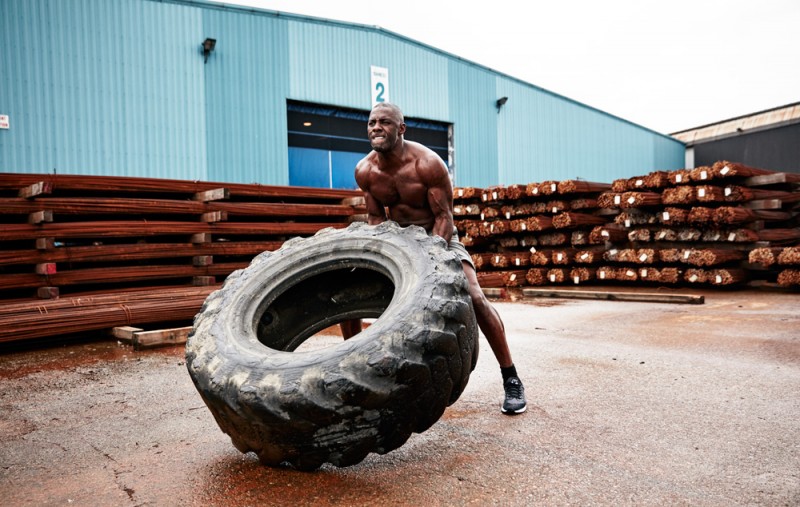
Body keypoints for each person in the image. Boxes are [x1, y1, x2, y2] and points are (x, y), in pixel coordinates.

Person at [346, 102, 527, 415]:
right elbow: (376, 220)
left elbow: (444, 218)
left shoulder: (428, 164)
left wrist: (428, 262)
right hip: (398, 241)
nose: (377, 127)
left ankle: (510, 377)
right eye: (372, 122)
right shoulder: (366, 171)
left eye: (385, 122)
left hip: (438, 236)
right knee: (347, 294)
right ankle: (352, 369)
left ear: (401, 129)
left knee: (475, 296)